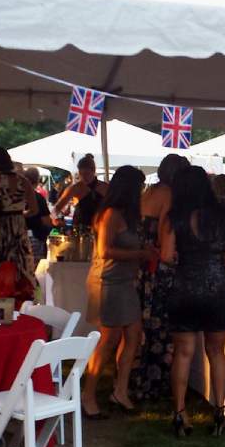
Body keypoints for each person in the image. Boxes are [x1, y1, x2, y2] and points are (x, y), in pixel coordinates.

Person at [166, 166, 225, 437]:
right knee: (216, 352)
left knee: (183, 353)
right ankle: (219, 410)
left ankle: (179, 413)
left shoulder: (175, 217)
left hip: (185, 287)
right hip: (215, 288)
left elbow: (166, 256)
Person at [83, 165, 152, 418]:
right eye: (139, 187)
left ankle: (120, 391)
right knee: (108, 340)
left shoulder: (128, 215)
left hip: (124, 281)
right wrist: (140, 254)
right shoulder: (111, 214)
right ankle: (88, 395)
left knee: (134, 335)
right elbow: (105, 251)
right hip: (108, 282)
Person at [129, 154, 189, 403]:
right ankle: (153, 383)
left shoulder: (148, 193)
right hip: (158, 271)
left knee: (142, 327)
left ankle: (136, 379)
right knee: (160, 328)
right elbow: (165, 238)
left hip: (141, 269)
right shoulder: (170, 196)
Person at [0, 147, 38, 303]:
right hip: (18, 228)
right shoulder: (23, 181)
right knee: (21, 265)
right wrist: (17, 214)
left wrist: (3, 213)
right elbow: (34, 209)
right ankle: (20, 303)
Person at [53, 154, 107, 232]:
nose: (84, 177)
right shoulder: (74, 188)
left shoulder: (104, 187)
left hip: (101, 227)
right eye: (82, 174)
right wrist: (56, 219)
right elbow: (56, 209)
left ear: (94, 171)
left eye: (87, 174)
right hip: (80, 229)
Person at [22, 166, 51, 262]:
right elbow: (46, 221)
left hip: (17, 238)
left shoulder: (16, 196)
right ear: (37, 180)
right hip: (35, 237)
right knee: (36, 269)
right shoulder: (38, 198)